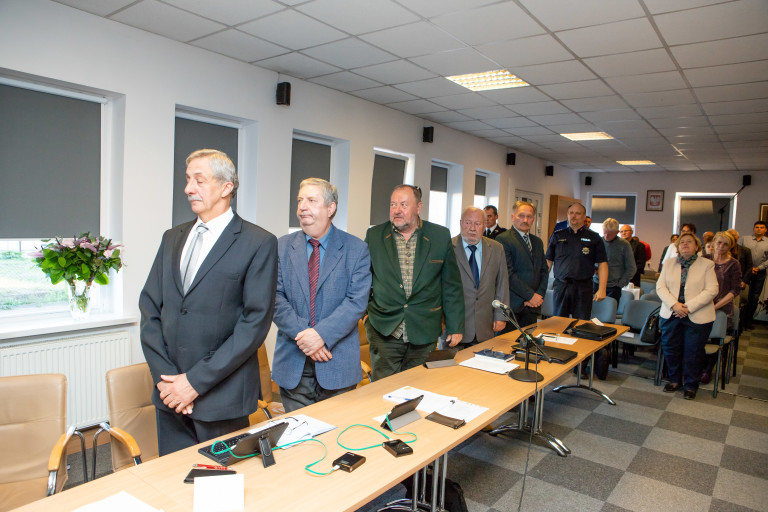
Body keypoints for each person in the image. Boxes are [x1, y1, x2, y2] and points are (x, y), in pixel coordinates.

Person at [139, 149, 278, 455]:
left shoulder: (258, 242)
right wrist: (166, 380)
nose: (188, 188)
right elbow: (150, 308)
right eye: (188, 179)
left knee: (221, 480)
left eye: (199, 180)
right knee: (173, 479)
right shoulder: (171, 237)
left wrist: (194, 382)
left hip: (221, 399)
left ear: (226, 187)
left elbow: (254, 324)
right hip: (169, 397)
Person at [271, 178, 371, 412]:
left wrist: (321, 335)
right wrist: (308, 339)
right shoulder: (281, 247)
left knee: (336, 431)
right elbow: (274, 298)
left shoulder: (356, 249)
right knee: (298, 433)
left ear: (330, 208)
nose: (302, 207)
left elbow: (356, 302)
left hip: (337, 364)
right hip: (293, 365)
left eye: (311, 200)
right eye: (300, 200)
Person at [365, 185, 464, 380]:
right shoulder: (374, 235)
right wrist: (366, 316)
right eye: (393, 204)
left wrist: (455, 326)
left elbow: (451, 285)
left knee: (419, 386)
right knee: (384, 389)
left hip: (424, 328)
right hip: (384, 328)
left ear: (418, 207)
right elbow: (362, 278)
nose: (397, 210)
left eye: (403, 205)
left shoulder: (439, 236)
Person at [656, 233, 718, 400]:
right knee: (671, 349)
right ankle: (674, 380)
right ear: (677, 247)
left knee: (693, 351)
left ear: (697, 246)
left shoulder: (707, 264)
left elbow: (712, 290)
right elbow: (660, 287)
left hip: (697, 314)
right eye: (681, 242)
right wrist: (675, 305)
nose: (684, 244)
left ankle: (691, 385)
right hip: (671, 313)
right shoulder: (669, 263)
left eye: (689, 242)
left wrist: (688, 308)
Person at [448, 207, 509, 347]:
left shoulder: (497, 248)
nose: (472, 228)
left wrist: (501, 315)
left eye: (477, 223)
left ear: (485, 225)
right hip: (454, 328)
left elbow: (502, 284)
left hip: (485, 326)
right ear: (460, 223)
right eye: (468, 223)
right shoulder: (448, 247)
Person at [546, 202, 608, 320]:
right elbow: (548, 261)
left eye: (578, 213)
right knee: (558, 322)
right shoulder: (557, 236)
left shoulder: (594, 237)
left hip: (583, 288)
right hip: (561, 286)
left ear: (584, 217)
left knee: (581, 324)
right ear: (567, 215)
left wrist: (602, 289)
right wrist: (542, 284)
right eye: (571, 213)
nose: (574, 216)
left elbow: (602, 264)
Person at [497, 201, 549, 328]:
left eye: (529, 216)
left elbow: (544, 270)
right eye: (521, 215)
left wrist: (539, 296)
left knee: (529, 340)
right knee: (509, 340)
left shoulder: (537, 242)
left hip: (533, 307)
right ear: (512, 217)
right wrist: (530, 296)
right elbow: (508, 274)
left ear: (534, 219)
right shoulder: (503, 239)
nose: (525, 220)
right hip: (514, 306)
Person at [700, 232, 741, 384]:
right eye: (719, 243)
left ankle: (707, 370)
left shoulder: (733, 264)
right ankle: (697, 366)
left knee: (714, 337)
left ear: (730, 246)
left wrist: (716, 306)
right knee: (697, 335)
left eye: (725, 244)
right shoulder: (704, 259)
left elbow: (735, 290)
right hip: (703, 304)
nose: (721, 247)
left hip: (722, 307)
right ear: (713, 243)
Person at [597, 219, 635, 302]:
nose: (606, 236)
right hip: (596, 283)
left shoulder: (624, 245)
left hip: (614, 287)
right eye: (605, 233)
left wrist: (620, 284)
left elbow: (631, 268)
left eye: (610, 234)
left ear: (617, 232)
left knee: (610, 309)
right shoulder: (598, 242)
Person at [742, 220, 768, 330]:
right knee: (743, 295)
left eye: (761, 227)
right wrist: (749, 269)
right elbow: (740, 254)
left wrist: (759, 268)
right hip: (745, 272)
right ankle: (740, 321)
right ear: (753, 229)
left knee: (754, 297)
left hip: (760, 272)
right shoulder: (745, 239)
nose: (759, 229)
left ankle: (748, 321)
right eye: (757, 227)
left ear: (765, 230)